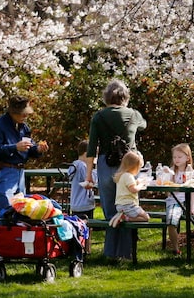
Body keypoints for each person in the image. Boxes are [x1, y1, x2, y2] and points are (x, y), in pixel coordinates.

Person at [84, 79, 147, 259]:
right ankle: (126, 253)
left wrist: (89, 175)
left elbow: (91, 148)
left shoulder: (98, 116)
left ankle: (110, 253)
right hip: (129, 165)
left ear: (106, 97)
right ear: (125, 97)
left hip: (105, 164)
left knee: (110, 212)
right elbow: (143, 125)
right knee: (129, 207)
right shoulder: (133, 114)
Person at [0, 95, 50, 219]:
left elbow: (29, 149)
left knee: (20, 209)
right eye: (23, 114)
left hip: (20, 172)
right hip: (4, 171)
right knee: (5, 210)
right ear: (13, 112)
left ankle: (15, 237)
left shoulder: (24, 128)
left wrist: (38, 149)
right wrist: (14, 147)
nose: (25, 116)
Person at [164, 143, 194, 255]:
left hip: (188, 202)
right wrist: (164, 177)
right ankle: (176, 248)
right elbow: (167, 192)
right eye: (174, 157)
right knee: (171, 221)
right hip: (174, 202)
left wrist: (192, 207)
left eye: (179, 157)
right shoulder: (171, 171)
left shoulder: (191, 173)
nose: (176, 159)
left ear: (187, 158)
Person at [109, 151, 150, 227]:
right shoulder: (129, 176)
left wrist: (137, 181)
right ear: (134, 166)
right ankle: (125, 218)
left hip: (120, 205)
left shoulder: (122, 175)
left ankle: (121, 216)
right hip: (129, 205)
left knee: (143, 216)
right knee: (146, 217)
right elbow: (133, 189)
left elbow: (129, 186)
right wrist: (141, 185)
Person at [69, 139, 98, 219]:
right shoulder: (82, 166)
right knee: (86, 227)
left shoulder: (75, 165)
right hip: (84, 204)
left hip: (76, 203)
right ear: (87, 154)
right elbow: (93, 179)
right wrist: (97, 168)